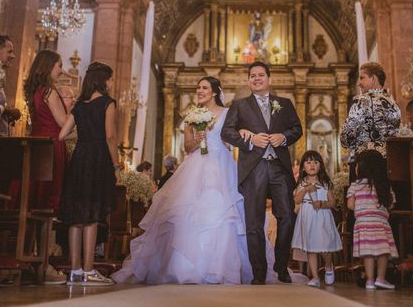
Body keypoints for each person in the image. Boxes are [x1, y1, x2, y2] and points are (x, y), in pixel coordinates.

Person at [112, 76, 252, 284]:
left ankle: (220, 267)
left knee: (221, 212)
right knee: (188, 212)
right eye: (198, 88)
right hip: (196, 165)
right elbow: (187, 147)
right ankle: (185, 267)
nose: (200, 91)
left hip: (221, 165)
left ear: (215, 92)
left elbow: (232, 140)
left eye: (204, 88)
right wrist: (197, 140)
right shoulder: (191, 116)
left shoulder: (227, 113)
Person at [222, 61, 303, 285]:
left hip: (279, 167)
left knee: (286, 217)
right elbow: (227, 132)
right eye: (252, 76)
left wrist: (283, 138)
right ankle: (259, 271)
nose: (256, 79)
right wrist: (249, 141)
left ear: (269, 79)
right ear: (249, 80)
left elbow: (297, 129)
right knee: (254, 222)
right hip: (253, 168)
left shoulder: (284, 104)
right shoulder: (239, 105)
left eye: (260, 75)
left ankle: (280, 264)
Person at [58, 62, 119, 286]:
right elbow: (110, 137)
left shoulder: (80, 105)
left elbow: (63, 135)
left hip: (80, 158)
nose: (111, 83)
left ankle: (74, 271)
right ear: (103, 80)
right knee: (92, 215)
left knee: (76, 216)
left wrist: (84, 133)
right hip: (98, 158)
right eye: (110, 79)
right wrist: (116, 166)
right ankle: (89, 269)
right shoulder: (107, 103)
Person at [9, 49, 67, 210]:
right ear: (49, 66)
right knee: (48, 194)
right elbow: (63, 123)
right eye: (59, 66)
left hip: (36, 141)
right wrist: (77, 114)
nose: (61, 71)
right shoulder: (49, 91)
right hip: (51, 145)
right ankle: (44, 234)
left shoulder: (36, 90)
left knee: (34, 191)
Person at [347, 150, 398, 291]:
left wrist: (362, 207)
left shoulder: (355, 186)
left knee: (367, 252)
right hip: (380, 222)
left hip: (363, 223)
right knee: (383, 251)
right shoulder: (384, 185)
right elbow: (391, 204)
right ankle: (380, 279)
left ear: (361, 168)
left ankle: (369, 280)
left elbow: (350, 205)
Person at [340, 62, 401, 177]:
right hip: (388, 165)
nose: (359, 83)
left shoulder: (361, 102)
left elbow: (346, 138)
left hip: (364, 165)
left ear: (373, 79)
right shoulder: (393, 104)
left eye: (362, 78)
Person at [291, 150, 342, 288]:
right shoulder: (301, 183)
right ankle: (315, 276)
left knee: (324, 246)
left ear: (320, 166)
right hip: (307, 215)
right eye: (308, 162)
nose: (312, 165)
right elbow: (296, 199)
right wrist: (306, 190)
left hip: (322, 216)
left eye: (315, 162)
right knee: (310, 247)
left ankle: (328, 266)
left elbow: (332, 203)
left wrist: (321, 204)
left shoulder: (325, 183)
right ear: (303, 167)